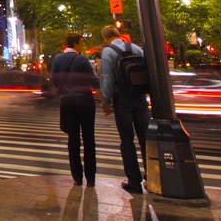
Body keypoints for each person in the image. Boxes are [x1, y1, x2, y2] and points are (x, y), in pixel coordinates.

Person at [100, 24, 150, 195]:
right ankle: (151, 177)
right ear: (119, 34)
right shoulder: (136, 48)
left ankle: (134, 181)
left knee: (127, 141)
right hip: (140, 97)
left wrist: (105, 101)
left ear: (105, 38)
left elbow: (107, 78)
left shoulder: (108, 52)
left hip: (122, 99)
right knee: (145, 139)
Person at [50, 33, 98, 187]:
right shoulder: (82, 59)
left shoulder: (57, 59)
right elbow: (93, 80)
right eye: (82, 42)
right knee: (89, 139)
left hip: (67, 102)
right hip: (85, 102)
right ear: (76, 43)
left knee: (73, 139)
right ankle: (90, 177)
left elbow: (54, 80)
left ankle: (77, 176)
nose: (83, 45)